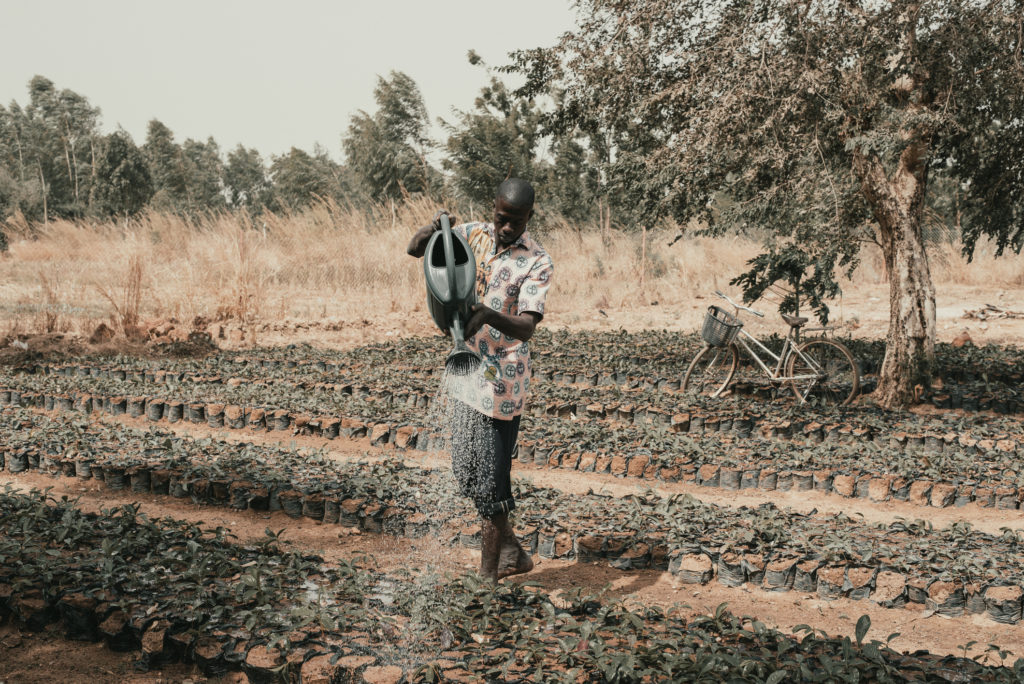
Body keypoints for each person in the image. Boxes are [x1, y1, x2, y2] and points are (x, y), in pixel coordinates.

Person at [407, 178, 553, 583]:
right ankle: (514, 551)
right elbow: (416, 249)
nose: (506, 228)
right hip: (465, 368)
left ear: (530, 217)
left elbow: (526, 327)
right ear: (494, 209)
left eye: (516, 222)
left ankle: (488, 574)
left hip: (502, 383)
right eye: (501, 218)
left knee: (491, 482)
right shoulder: (471, 235)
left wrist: (487, 314)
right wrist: (435, 228)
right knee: (466, 471)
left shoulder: (538, 262)